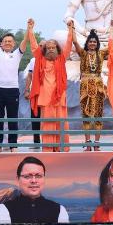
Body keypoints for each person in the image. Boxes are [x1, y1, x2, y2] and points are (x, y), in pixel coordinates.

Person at [28, 19, 71, 152]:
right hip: (46, 97)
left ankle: (61, 147)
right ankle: (48, 148)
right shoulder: (40, 59)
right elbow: (34, 46)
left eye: (53, 48)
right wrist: (30, 29)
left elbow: (69, 45)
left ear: (57, 49)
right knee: (47, 124)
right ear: (45, 50)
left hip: (59, 97)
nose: (51, 50)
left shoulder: (62, 58)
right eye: (48, 48)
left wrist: (71, 30)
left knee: (61, 123)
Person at [0, 156, 71, 224]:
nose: (34, 181)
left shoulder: (59, 210)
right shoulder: (3, 210)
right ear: (17, 179)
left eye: (38, 176)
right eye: (27, 176)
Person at [0, 24, 26, 150]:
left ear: (14, 44)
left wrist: (29, 29)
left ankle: (13, 145)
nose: (7, 43)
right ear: (1, 44)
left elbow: (25, 42)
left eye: (10, 41)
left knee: (12, 119)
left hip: (12, 90)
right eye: (5, 41)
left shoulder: (17, 54)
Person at [75, 26, 110, 150]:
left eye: (94, 42)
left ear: (97, 43)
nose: (92, 43)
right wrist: (71, 28)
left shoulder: (101, 53)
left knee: (98, 114)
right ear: (87, 43)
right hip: (85, 86)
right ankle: (88, 142)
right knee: (85, 115)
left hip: (98, 86)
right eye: (90, 41)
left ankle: (97, 143)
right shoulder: (83, 53)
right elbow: (74, 42)